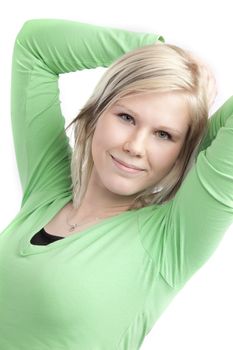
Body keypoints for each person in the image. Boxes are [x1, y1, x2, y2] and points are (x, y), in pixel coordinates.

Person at [0, 18, 232, 350]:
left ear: (182, 152)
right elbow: (34, 47)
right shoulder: (46, 192)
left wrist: (194, 127)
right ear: (96, 114)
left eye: (164, 135)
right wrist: (153, 51)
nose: (135, 146)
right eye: (126, 117)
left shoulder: (170, 241)